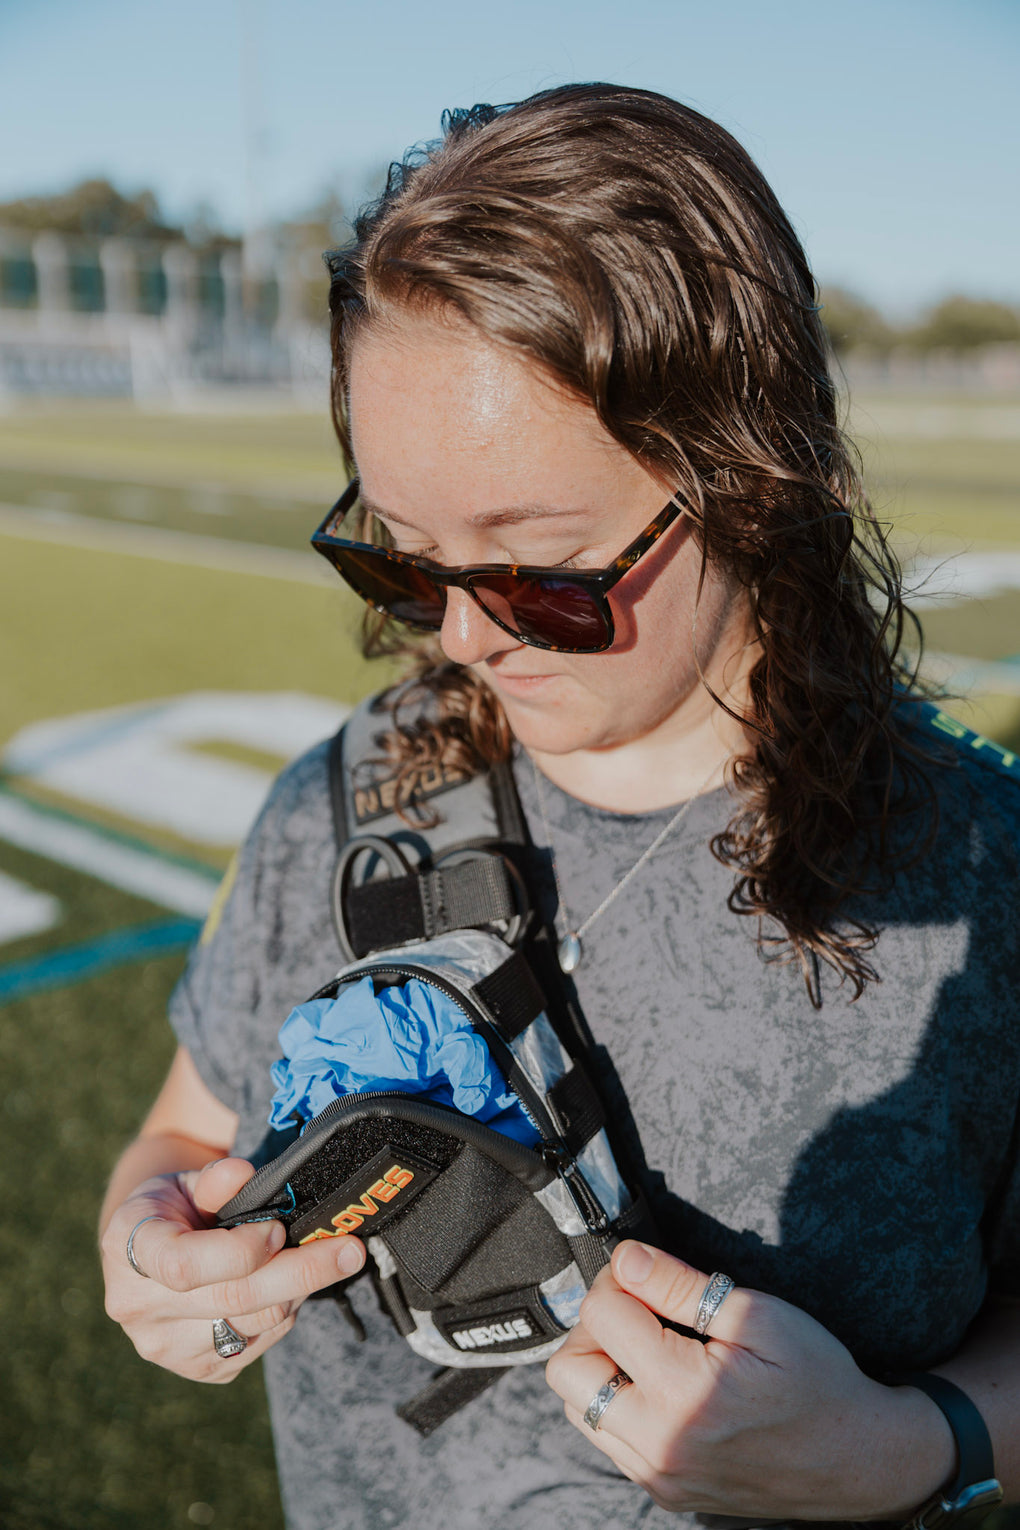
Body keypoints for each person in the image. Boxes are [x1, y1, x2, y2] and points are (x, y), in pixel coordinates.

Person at [99, 84, 1020, 1530]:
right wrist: (151, 1251)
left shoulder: (980, 883)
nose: (465, 638)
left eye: (541, 574)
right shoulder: (336, 798)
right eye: (404, 559)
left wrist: (910, 1444)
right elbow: (179, 1138)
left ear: (749, 480)